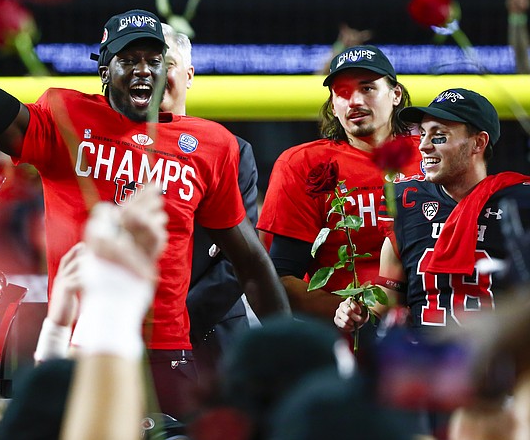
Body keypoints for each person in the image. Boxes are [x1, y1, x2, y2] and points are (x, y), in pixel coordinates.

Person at [0, 0, 289, 420]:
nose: (144, 71)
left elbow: (249, 262)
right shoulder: (64, 119)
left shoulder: (211, 145)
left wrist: (292, 356)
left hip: (167, 351)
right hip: (81, 344)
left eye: (154, 60)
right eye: (129, 60)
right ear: (104, 71)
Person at [335, 88, 530, 332]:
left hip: (495, 361)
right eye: (423, 134)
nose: (424, 146)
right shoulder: (407, 200)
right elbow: (388, 293)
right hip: (424, 361)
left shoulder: (520, 201)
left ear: (478, 143)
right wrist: (359, 310)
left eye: (439, 136)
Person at [258, 45, 423, 322]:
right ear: (333, 106)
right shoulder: (304, 164)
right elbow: (281, 278)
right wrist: (356, 315)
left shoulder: (431, 156)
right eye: (342, 93)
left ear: (395, 95)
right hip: (347, 339)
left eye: (367, 88)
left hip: (435, 325)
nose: (354, 101)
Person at [160, 23, 255, 377]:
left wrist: (174, 324)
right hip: (128, 339)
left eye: (167, 63)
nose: (154, 73)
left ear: (189, 75)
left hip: (215, 341)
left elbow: (239, 260)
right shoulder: (110, 152)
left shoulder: (231, 150)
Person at [506, 0, 530, 74]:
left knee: (523, 46)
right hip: (514, 24)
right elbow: (510, 4)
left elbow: (524, 6)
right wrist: (516, 3)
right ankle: (519, 69)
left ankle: (526, 69)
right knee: (516, 46)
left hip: (522, 24)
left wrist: (519, 3)